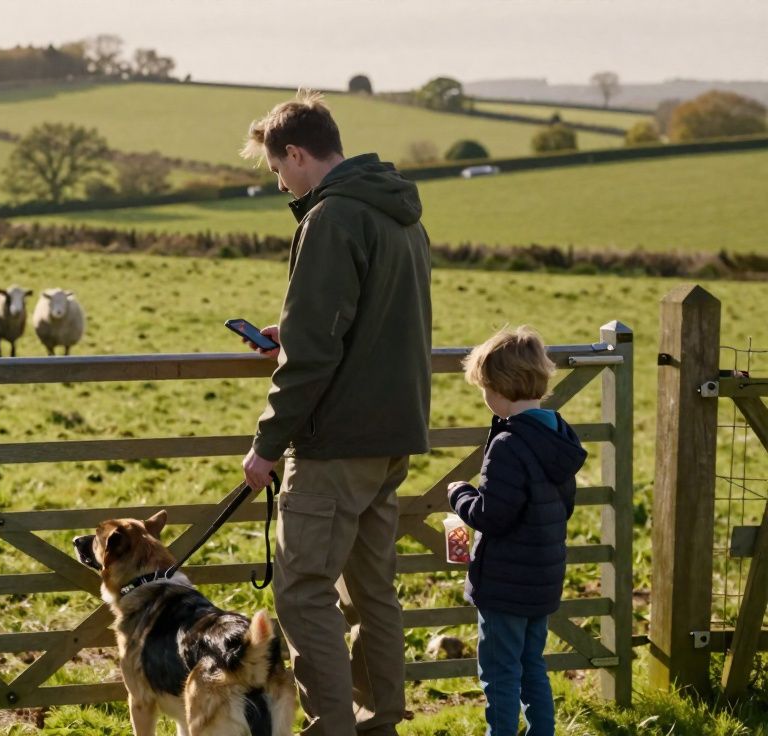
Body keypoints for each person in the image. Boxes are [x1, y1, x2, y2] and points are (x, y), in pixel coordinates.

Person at [238, 90, 432, 736]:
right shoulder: (400, 213)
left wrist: (268, 443)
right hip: (394, 433)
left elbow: (315, 353)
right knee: (372, 591)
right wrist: (291, 329)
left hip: (337, 441)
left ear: (297, 153)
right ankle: (380, 722)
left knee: (303, 590)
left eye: (277, 170)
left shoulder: (331, 218)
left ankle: (332, 728)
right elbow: (367, 320)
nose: (279, 184)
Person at [447, 326, 586, 736]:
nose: (485, 398)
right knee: (531, 664)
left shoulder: (508, 443)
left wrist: (460, 495)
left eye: (485, 388)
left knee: (500, 671)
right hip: (543, 575)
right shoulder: (557, 433)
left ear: (500, 388)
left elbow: (492, 515)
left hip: (506, 582)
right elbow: (565, 506)